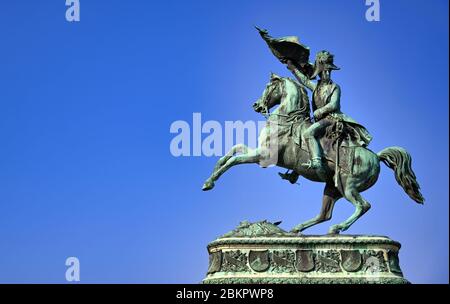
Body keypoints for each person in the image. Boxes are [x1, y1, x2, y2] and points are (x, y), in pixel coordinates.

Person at [285, 50, 372, 172]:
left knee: (308, 133)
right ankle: (297, 170)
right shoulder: (316, 87)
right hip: (321, 120)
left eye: (328, 71)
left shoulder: (334, 87)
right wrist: (293, 68)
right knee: (299, 133)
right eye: (324, 71)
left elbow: (333, 104)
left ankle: (316, 161)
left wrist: (320, 111)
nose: (326, 73)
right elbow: (304, 80)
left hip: (331, 119)